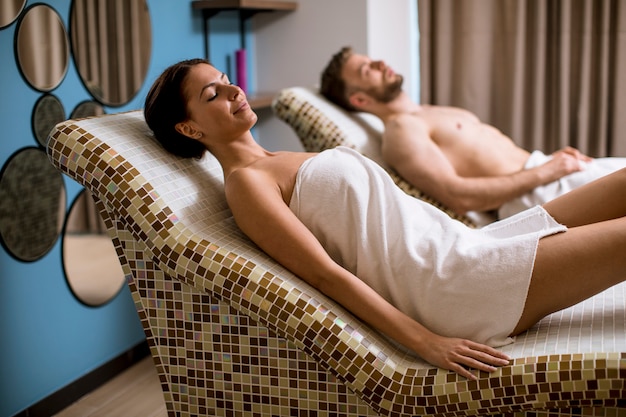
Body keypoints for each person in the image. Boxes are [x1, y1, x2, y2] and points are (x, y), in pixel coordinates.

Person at [143, 58, 626, 380]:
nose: (233, 89)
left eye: (227, 80)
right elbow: (322, 274)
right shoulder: (247, 184)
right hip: (454, 282)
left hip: (470, 244)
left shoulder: (276, 159)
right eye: (213, 94)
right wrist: (425, 342)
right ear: (190, 128)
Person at [320, 46, 626, 219]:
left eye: (371, 58)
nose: (379, 62)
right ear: (360, 100)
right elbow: (458, 195)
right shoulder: (401, 131)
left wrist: (553, 164)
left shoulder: (424, 112)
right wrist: (548, 171)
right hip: (536, 194)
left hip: (548, 172)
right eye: (367, 69)